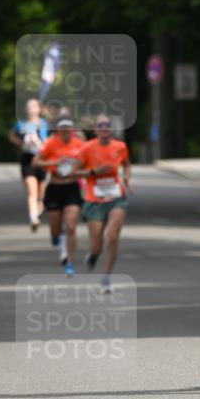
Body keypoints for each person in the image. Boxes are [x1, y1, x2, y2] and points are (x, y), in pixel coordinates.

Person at [74, 115, 131, 294]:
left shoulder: (120, 147)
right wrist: (93, 171)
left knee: (113, 236)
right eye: (101, 125)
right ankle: (93, 255)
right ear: (96, 130)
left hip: (116, 196)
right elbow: (73, 172)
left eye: (107, 125)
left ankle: (106, 277)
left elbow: (127, 164)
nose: (105, 128)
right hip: (94, 199)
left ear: (111, 129)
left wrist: (127, 177)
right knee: (96, 246)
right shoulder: (86, 148)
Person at [32, 116, 84, 276]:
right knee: (55, 227)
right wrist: (54, 163)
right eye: (63, 128)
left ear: (72, 130)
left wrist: (77, 168)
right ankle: (56, 237)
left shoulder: (79, 144)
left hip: (72, 188)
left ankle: (69, 261)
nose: (66, 131)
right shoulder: (50, 143)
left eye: (68, 128)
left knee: (70, 226)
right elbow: (35, 162)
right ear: (58, 130)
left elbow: (88, 162)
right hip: (55, 187)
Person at [7, 98, 49, 230]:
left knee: (41, 189)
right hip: (27, 159)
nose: (31, 109)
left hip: (41, 159)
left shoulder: (44, 124)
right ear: (26, 110)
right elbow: (11, 135)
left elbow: (48, 140)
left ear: (39, 109)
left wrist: (41, 143)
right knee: (31, 190)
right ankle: (33, 218)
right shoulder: (21, 124)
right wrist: (21, 144)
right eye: (29, 107)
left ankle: (40, 202)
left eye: (34, 107)